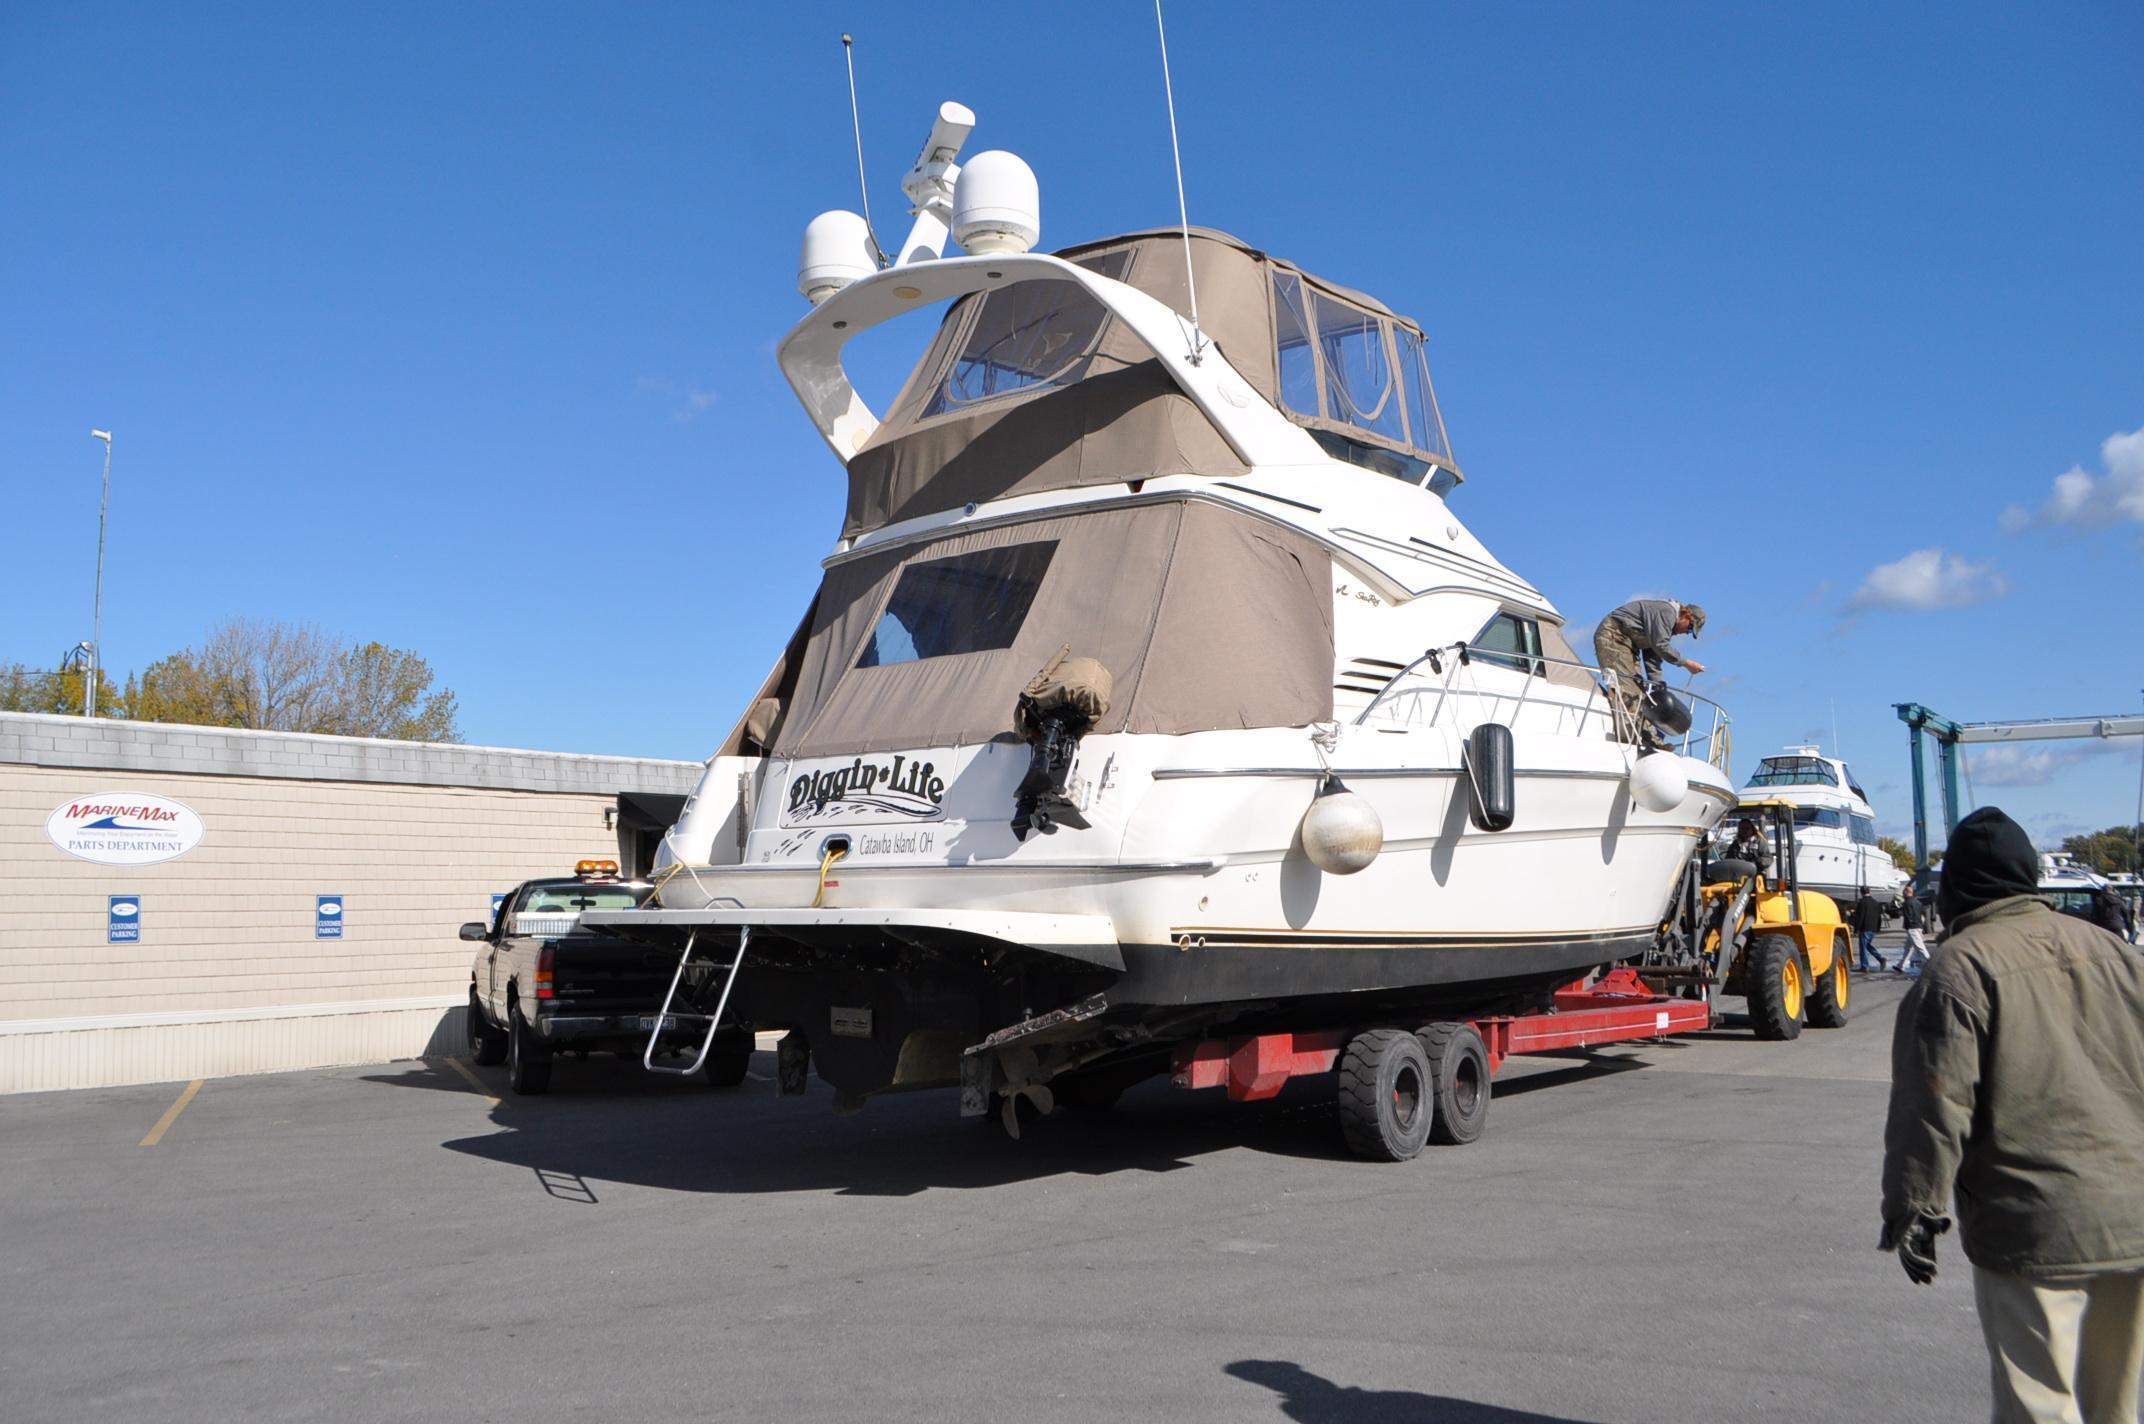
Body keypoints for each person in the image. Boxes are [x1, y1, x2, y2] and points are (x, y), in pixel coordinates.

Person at [1880, 806, 2144, 1424]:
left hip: (2032, 1218)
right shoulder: (2119, 953)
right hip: (2136, 1210)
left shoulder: (1959, 967)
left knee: (2039, 1405)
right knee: (2118, 1404)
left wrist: (1912, 1209)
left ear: (1957, 888)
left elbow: (1934, 1105)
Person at [1592, 599, 1706, 748]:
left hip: (1628, 645)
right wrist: (1686, 663)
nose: (1686, 633)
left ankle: (1650, 739)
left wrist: (1658, 685)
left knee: (1641, 695)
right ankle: (1634, 739)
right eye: (1690, 628)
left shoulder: (1666, 625)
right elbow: (1661, 646)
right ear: (1687, 616)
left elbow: (1653, 655)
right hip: (1614, 636)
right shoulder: (1667, 613)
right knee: (1628, 691)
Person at [1897, 884, 1931, 974]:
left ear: (1907, 892)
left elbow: (1908, 916)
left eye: (1904, 891)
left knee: (1920, 947)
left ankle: (1930, 965)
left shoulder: (1907, 903)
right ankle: (1901, 966)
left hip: (1912, 928)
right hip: (1918, 926)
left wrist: (1909, 925)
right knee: (1908, 948)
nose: (1903, 893)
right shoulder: (1918, 902)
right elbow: (1922, 915)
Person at [1854, 886, 1887, 971]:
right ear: (1870, 891)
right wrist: (1878, 928)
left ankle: (1865, 966)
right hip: (1873, 928)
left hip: (1865, 928)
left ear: (1861, 893)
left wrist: (1856, 929)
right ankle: (1880, 958)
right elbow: (1879, 917)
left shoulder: (1862, 903)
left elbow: (1860, 917)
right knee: (1867, 945)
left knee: (1863, 947)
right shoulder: (1876, 903)